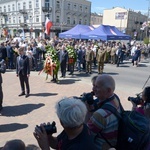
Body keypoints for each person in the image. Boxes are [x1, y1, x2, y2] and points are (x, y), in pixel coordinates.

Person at [86, 74, 122, 150]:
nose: (93, 89)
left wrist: (86, 109)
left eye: (97, 87)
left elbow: (86, 134)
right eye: (94, 85)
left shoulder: (101, 115)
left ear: (108, 90)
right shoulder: (115, 98)